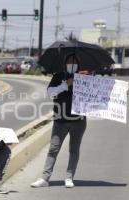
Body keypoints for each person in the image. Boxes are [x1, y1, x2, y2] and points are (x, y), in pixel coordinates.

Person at [31, 54, 87, 188]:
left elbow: (99, 94)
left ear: (78, 64)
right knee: (53, 149)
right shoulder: (58, 77)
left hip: (78, 121)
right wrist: (66, 85)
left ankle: (69, 177)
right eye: (69, 61)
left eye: (74, 61)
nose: (71, 63)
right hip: (60, 120)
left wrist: (118, 94)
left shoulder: (85, 78)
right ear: (65, 63)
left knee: (74, 150)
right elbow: (50, 93)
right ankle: (45, 178)